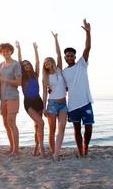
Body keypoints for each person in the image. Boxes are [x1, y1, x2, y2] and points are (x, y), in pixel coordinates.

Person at [62, 19, 94, 157]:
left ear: (75, 56)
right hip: (73, 105)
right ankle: (80, 151)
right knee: (76, 130)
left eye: (71, 55)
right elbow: (64, 87)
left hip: (85, 102)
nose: (69, 57)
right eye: (67, 56)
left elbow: (87, 48)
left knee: (88, 128)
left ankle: (85, 147)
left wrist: (88, 33)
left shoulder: (82, 64)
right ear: (65, 57)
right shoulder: (63, 72)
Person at [16, 40, 46, 157]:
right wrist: (19, 48)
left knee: (37, 126)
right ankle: (42, 149)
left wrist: (35, 49)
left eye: (28, 64)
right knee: (41, 122)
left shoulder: (35, 74)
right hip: (28, 103)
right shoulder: (22, 77)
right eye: (24, 65)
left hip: (38, 101)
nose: (26, 66)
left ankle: (37, 146)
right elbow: (19, 63)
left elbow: (38, 62)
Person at [42, 32, 67, 160]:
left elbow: (58, 54)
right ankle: (54, 152)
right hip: (51, 104)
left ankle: (56, 151)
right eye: (45, 63)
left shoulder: (59, 70)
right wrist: (43, 108)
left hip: (63, 104)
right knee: (52, 129)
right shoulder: (46, 77)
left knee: (61, 127)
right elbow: (45, 93)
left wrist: (56, 39)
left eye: (48, 61)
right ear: (44, 66)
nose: (47, 63)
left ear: (52, 62)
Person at [0, 43, 22, 156]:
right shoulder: (1, 65)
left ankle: (16, 150)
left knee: (11, 121)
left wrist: (3, 79)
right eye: (3, 51)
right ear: (1, 53)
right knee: (6, 123)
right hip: (3, 98)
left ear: (11, 52)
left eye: (8, 51)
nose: (5, 53)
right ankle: (11, 147)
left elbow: (18, 82)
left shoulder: (15, 64)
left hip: (12, 97)